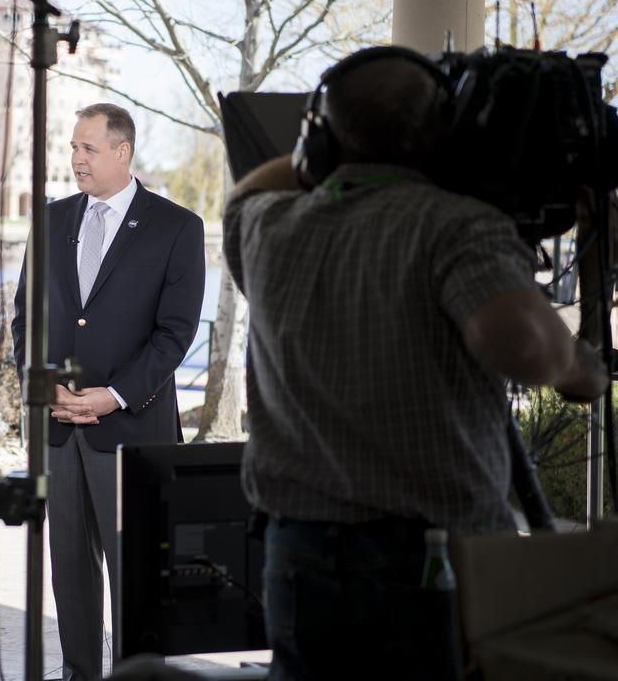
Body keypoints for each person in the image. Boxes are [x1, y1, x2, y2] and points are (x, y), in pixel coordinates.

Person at [222, 46, 611, 680]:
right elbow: (525, 346)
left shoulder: (265, 225)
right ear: (443, 142)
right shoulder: (457, 227)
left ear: (319, 142)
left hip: (295, 553)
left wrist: (312, 152)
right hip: (430, 559)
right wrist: (584, 371)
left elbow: (248, 187)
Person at [11, 103, 206, 681]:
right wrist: (43, 386)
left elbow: (176, 335)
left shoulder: (177, 227)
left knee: (135, 571)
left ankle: (137, 676)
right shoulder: (50, 220)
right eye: (73, 147)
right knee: (68, 568)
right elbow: (26, 318)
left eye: (88, 148)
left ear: (123, 152)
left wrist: (114, 395)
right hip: (57, 427)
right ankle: (78, 674)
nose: (75, 159)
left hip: (130, 430)